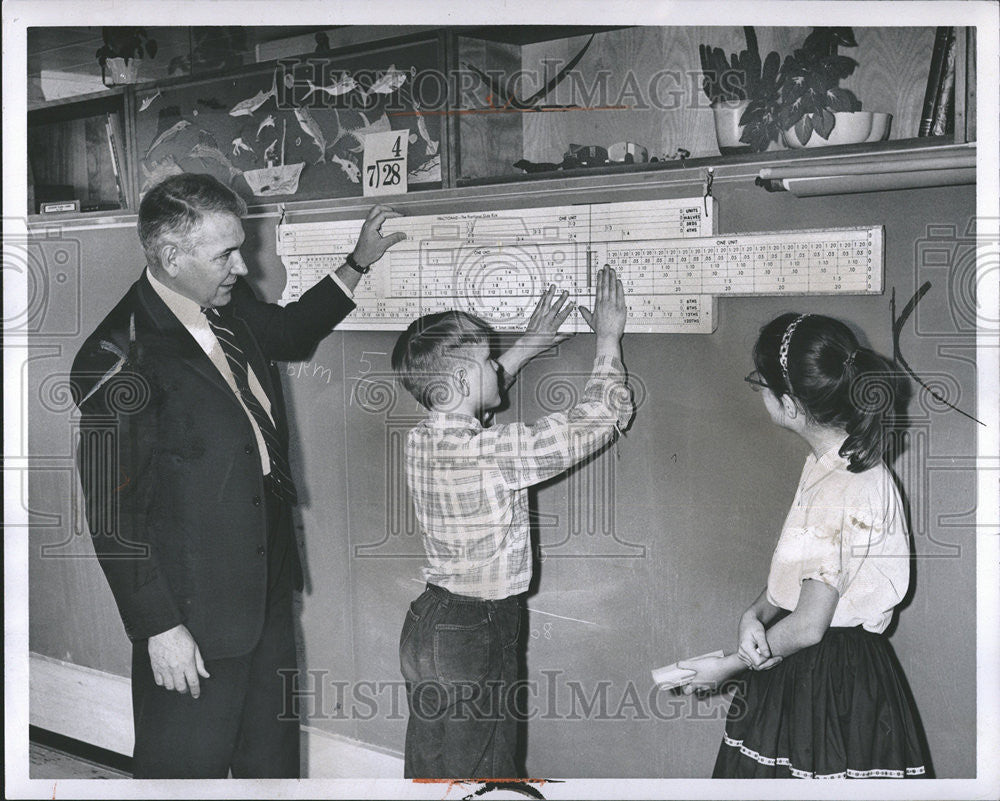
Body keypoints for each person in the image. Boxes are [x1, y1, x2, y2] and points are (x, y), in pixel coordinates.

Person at [70, 173, 404, 778]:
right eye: (225, 252)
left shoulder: (226, 304)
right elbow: (111, 516)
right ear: (171, 256)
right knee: (184, 769)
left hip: (266, 575)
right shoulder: (115, 358)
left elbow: (291, 331)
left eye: (241, 248)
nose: (241, 267)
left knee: (269, 764)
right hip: (191, 608)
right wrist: (159, 627)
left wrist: (357, 262)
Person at [390, 267, 634, 778]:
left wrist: (526, 346)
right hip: (476, 630)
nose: (495, 369)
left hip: (428, 624)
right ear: (460, 380)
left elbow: (462, 396)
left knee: (434, 763)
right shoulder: (495, 452)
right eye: (486, 362)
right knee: (484, 768)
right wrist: (608, 337)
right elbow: (599, 417)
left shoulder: (420, 438)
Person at [678, 313, 927, 779]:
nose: (761, 395)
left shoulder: (841, 485)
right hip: (820, 666)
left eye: (763, 385)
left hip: (826, 679)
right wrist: (757, 612)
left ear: (790, 405)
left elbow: (811, 624)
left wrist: (729, 666)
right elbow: (800, 574)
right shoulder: (832, 462)